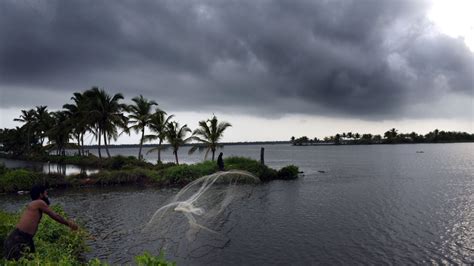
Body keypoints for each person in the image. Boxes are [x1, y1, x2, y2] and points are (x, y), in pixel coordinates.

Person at [3, 185, 78, 260]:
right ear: (40, 195)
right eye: (46, 193)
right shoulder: (39, 202)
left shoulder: (33, 204)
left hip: (22, 238)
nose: (47, 196)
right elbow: (55, 216)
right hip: (18, 239)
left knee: (32, 260)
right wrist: (69, 224)